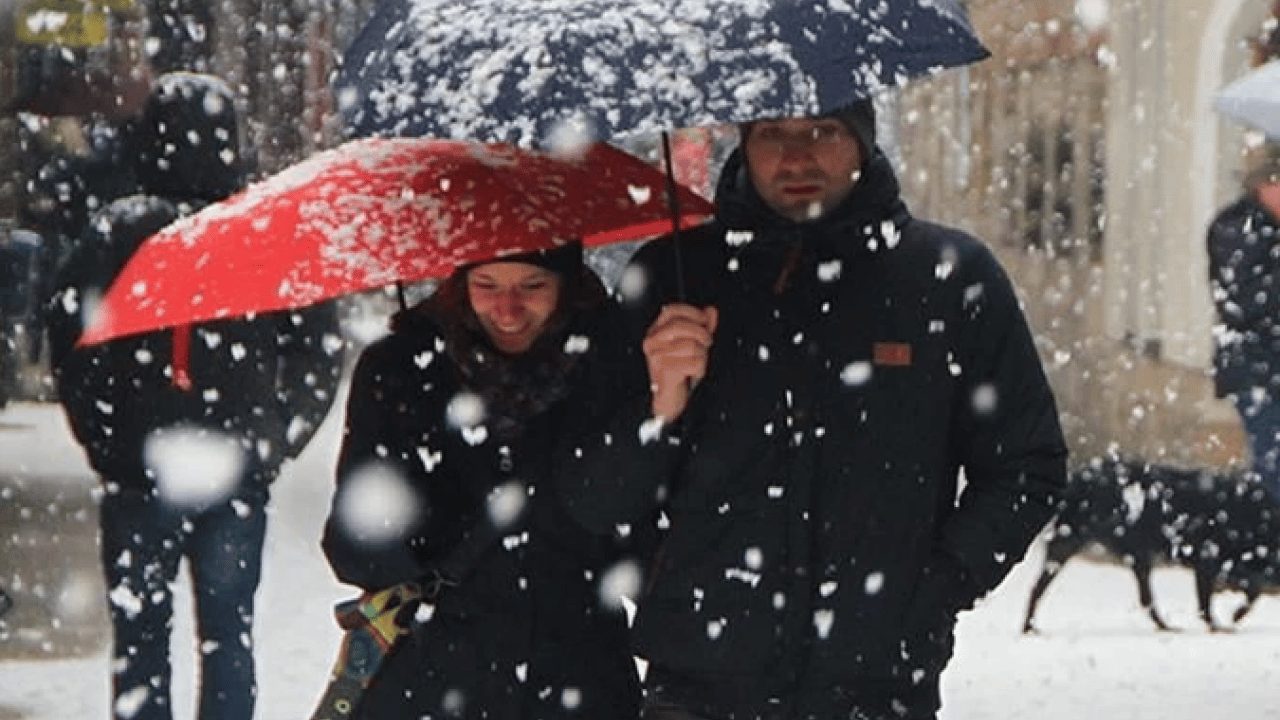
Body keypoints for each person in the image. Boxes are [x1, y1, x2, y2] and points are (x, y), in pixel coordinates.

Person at [558, 100, 1069, 720]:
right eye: (771, 133)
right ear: (742, 142)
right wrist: (658, 411)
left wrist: (931, 590)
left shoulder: (949, 278)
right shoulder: (672, 276)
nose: (796, 156)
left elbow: (1025, 465)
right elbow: (590, 496)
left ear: (864, 141)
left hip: (875, 689)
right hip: (698, 686)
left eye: (823, 131)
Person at [46, 72, 344, 720]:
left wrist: (107, 439)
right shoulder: (265, 233)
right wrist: (273, 438)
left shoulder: (119, 231)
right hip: (232, 471)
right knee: (228, 635)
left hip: (139, 473)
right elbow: (319, 349)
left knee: (139, 637)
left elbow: (70, 341)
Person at [320, 243, 648, 720]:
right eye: (486, 285)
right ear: (459, 285)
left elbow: (636, 536)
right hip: (432, 678)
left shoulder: (613, 367)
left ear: (568, 285)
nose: (508, 310)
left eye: (532, 286)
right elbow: (353, 550)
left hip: (579, 679)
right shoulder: (400, 371)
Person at [1207, 145, 1280, 503]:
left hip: (1269, 366)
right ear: (1262, 185)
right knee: (1273, 467)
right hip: (1256, 371)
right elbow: (1244, 301)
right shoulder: (1236, 228)